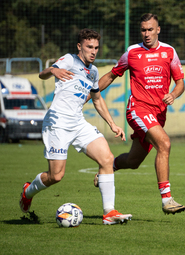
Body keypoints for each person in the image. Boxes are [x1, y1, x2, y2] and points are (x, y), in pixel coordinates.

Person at [19, 28, 132, 225]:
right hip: (58, 123)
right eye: (89, 47)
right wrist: (53, 70)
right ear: (79, 46)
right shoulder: (69, 60)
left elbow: (97, 100)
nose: (94, 51)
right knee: (56, 176)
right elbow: (42, 74)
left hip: (78, 122)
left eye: (96, 47)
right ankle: (28, 191)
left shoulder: (94, 72)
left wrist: (112, 124)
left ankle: (109, 212)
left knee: (107, 158)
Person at [89, 13, 185, 214]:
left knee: (133, 162)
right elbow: (112, 75)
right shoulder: (132, 52)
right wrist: (87, 96)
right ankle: (167, 200)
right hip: (138, 109)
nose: (147, 33)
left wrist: (173, 95)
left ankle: (110, 166)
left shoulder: (169, 52)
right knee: (164, 143)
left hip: (158, 115)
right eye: (143, 30)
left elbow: (180, 83)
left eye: (150, 29)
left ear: (158, 30)